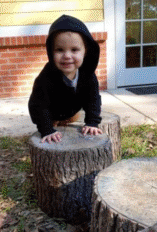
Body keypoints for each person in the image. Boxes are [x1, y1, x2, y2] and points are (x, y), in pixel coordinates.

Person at [28, 15, 103, 143]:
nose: (67, 56)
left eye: (74, 50)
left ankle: (63, 120)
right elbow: (39, 105)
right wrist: (46, 130)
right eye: (59, 50)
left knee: (73, 118)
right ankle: (53, 123)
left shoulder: (88, 75)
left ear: (85, 51)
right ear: (51, 52)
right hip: (48, 111)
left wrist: (92, 122)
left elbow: (93, 99)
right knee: (51, 128)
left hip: (69, 110)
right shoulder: (45, 78)